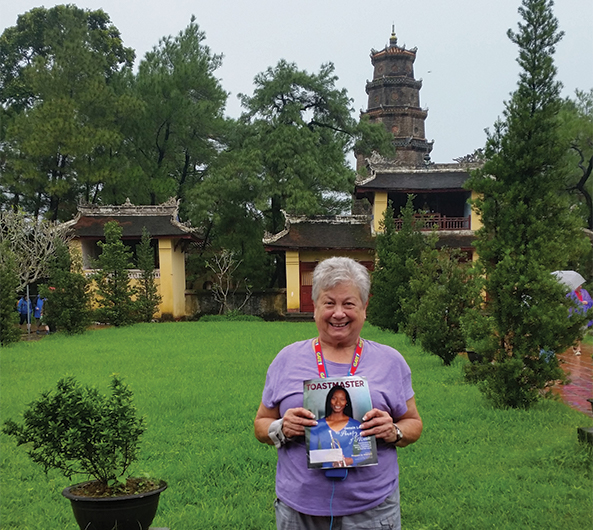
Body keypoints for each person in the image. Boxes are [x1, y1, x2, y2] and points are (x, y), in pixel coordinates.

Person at [254, 257, 423, 529]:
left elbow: (413, 423)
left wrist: (395, 431)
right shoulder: (286, 359)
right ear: (315, 307)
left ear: (364, 308)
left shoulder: (391, 361)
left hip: (372, 509)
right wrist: (281, 427)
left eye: (349, 303)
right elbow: (261, 423)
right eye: (329, 303)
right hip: (300, 509)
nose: (338, 313)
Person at [308, 386, 369, 468]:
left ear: (346, 402)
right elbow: (312, 454)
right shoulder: (317, 425)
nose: (338, 403)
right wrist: (329, 458)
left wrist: (350, 460)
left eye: (342, 399)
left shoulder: (356, 425)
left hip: (352, 472)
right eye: (334, 398)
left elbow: (367, 452)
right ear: (329, 400)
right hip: (323, 473)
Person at [569, 285, 593, 355]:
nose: (580, 286)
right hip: (574, 315)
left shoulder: (584, 292)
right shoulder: (570, 294)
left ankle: (576, 345)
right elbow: (569, 303)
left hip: (584, 315)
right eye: (578, 285)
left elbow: (591, 301)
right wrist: (579, 303)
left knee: (581, 332)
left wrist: (587, 302)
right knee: (576, 331)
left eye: (580, 285)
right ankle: (578, 348)